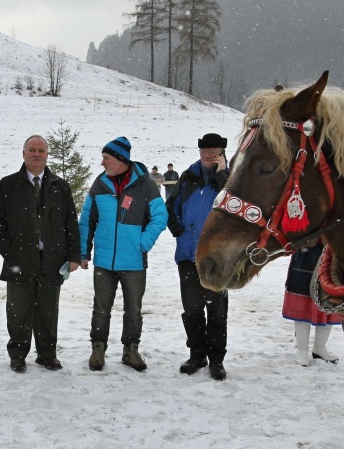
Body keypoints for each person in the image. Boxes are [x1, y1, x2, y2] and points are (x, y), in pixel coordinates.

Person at [0, 135, 81, 373]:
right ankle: (18, 353)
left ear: (47, 155)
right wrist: (9, 251)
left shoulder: (60, 187)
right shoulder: (8, 185)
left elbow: (71, 222)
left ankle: (47, 354)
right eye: (32, 149)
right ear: (23, 153)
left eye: (41, 150)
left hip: (52, 260)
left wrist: (73, 255)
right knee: (19, 310)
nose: (36, 154)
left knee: (48, 310)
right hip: (19, 260)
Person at [79, 136, 168, 371]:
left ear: (120, 159)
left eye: (106, 158)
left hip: (134, 261)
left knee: (133, 309)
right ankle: (98, 349)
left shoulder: (146, 185)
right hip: (104, 261)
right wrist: (83, 251)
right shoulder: (99, 184)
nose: (102, 163)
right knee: (101, 308)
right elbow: (87, 219)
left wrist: (143, 242)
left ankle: (131, 351)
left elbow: (160, 216)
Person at [166, 133, 230, 380]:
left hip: (217, 256)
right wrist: (179, 231)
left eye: (214, 152)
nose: (207, 156)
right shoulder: (188, 176)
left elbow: (232, 203)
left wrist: (222, 173)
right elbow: (171, 205)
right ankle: (196, 355)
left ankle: (216, 360)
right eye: (204, 152)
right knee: (192, 308)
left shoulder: (231, 179)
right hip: (187, 253)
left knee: (217, 310)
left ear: (222, 154)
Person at [282, 242, 340, 366]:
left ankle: (320, 347)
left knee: (328, 300)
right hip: (306, 254)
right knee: (303, 303)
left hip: (331, 254)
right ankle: (302, 349)